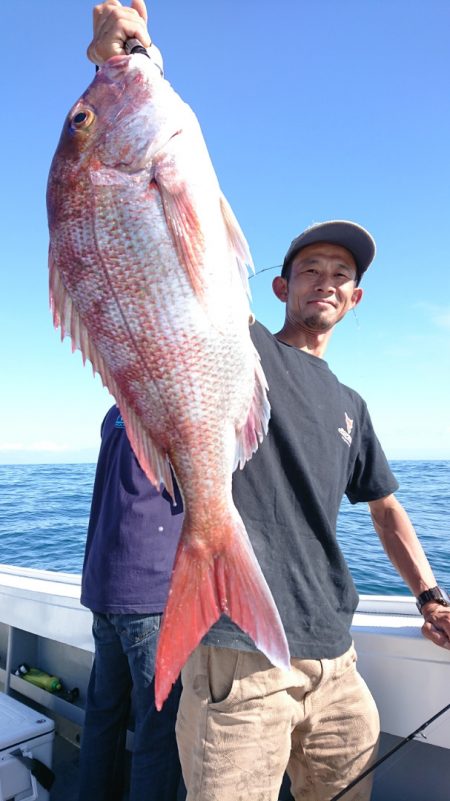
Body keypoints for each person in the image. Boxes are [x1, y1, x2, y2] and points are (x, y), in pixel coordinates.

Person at [86, 5, 450, 800]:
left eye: (341, 276)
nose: (326, 282)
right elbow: (188, 230)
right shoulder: (238, 343)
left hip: (338, 660)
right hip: (238, 667)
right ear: (277, 287)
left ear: (354, 301)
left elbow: (386, 510)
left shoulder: (353, 401)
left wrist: (429, 592)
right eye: (310, 269)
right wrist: (125, 62)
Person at [78, 404, 184, 801]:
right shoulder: (173, 413)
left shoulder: (114, 413)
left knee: (104, 714)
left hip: (103, 586)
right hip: (148, 591)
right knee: (157, 728)